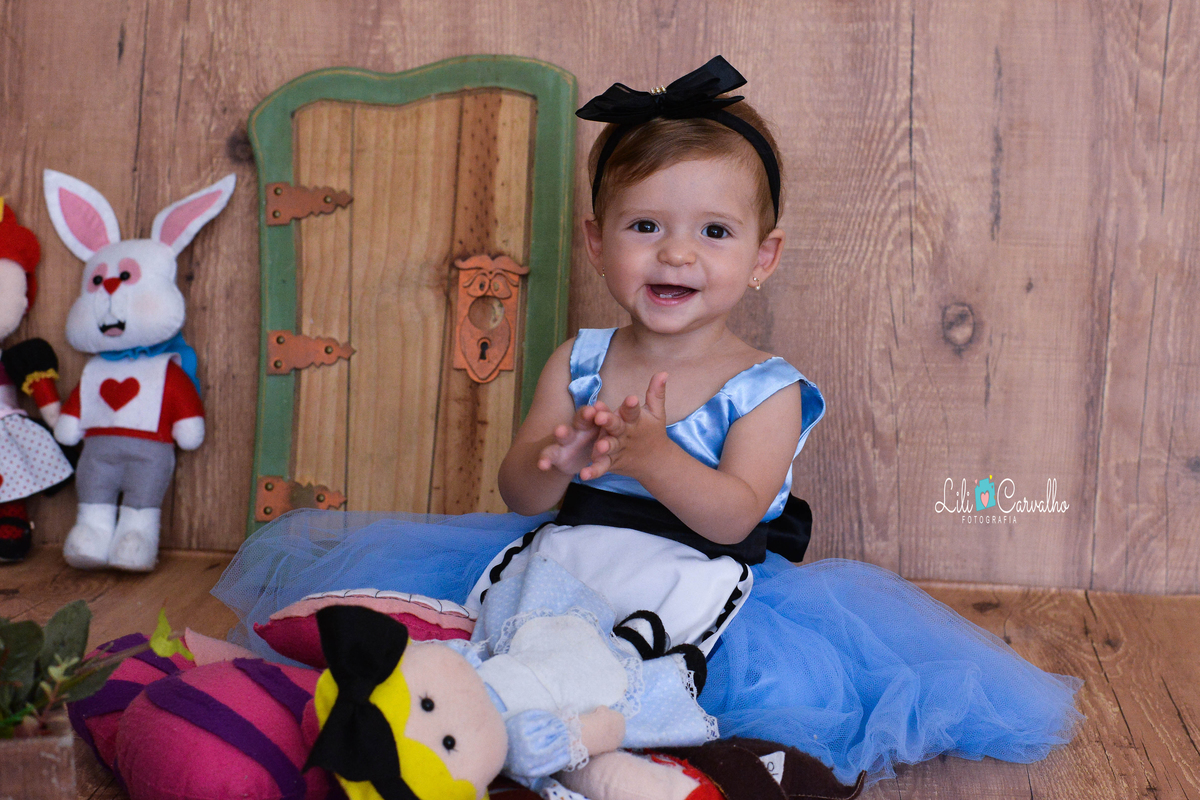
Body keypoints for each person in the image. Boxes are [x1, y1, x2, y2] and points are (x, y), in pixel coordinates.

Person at [215, 57, 1080, 788]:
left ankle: (589, 752)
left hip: (697, 588)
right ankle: (466, 735)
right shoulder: (581, 359)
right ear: (597, 243)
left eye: (713, 230)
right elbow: (519, 492)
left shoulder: (766, 388)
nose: (676, 253)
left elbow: (736, 515)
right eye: (644, 226)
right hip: (567, 562)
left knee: (685, 694)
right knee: (493, 644)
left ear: (761, 256)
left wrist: (654, 454)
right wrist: (563, 456)